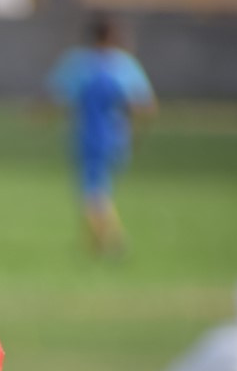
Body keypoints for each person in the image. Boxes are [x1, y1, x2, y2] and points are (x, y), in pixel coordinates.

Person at [46, 14, 157, 258]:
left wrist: (40, 115)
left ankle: (115, 239)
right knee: (100, 189)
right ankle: (93, 245)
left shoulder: (79, 64)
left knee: (93, 192)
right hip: (117, 138)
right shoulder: (124, 65)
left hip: (88, 137)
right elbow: (145, 105)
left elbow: (58, 97)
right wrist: (136, 133)